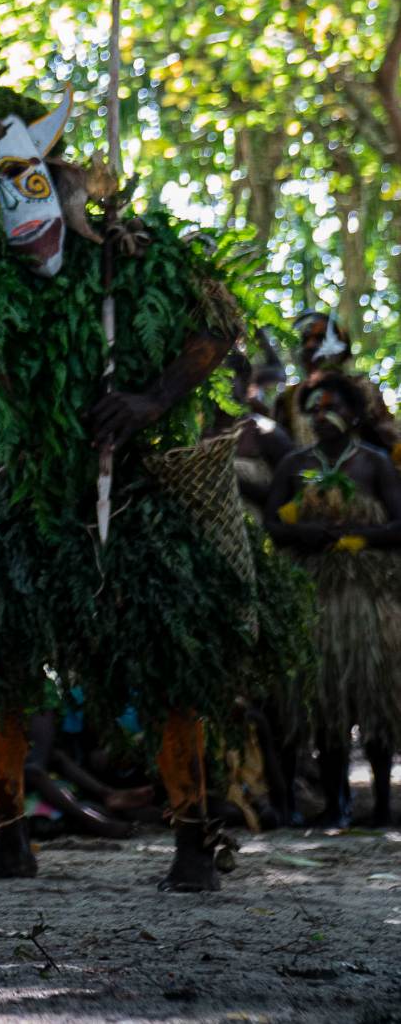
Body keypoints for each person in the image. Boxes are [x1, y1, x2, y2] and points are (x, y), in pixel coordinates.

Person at [0, 40, 306, 890]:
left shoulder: (123, 261)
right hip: (7, 500)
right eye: (2, 191)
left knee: (174, 653)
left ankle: (192, 833)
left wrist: (147, 399)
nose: (20, 207)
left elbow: (215, 324)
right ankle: (4, 828)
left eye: (34, 185)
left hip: (124, 489)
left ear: (62, 186)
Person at [266, 374, 401, 828]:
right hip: (312, 596)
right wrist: (302, 532)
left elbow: (399, 525)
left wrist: (357, 536)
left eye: (331, 407)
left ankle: (383, 804)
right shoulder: (293, 464)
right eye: (314, 408)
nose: (320, 416)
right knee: (326, 703)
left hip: (367, 597)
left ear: (354, 414)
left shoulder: (374, 463)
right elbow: (273, 525)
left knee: (377, 702)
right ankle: (336, 803)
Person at [275, 311, 397, 453]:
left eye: (320, 339)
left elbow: (390, 442)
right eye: (304, 339)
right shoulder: (287, 400)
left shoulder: (362, 387)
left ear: (341, 345)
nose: (310, 346)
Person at [212, 347, 294, 513]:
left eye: (225, 378)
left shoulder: (263, 430)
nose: (216, 385)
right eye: (211, 378)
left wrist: (233, 481)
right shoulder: (199, 435)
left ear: (244, 383)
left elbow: (296, 489)